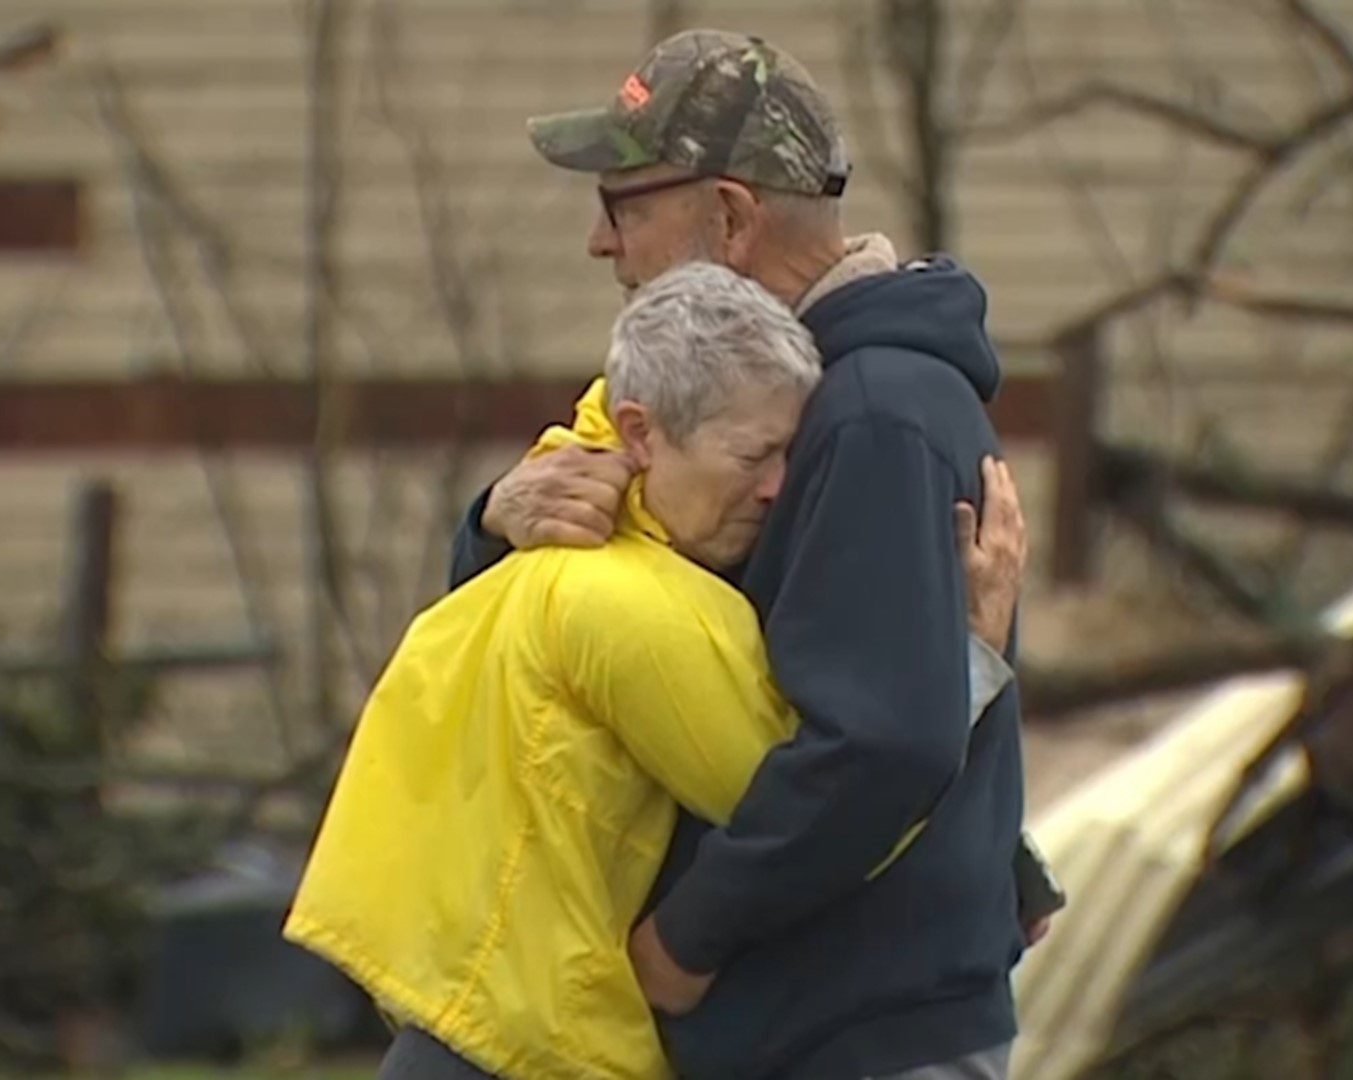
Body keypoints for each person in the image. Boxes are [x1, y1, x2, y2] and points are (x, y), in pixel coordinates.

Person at [447, 28, 1055, 1080]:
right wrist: (497, 522)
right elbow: (668, 654)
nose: (603, 246)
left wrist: (688, 941)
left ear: (728, 216)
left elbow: (880, 743)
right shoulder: (754, 402)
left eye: (623, 206)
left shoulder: (871, 415)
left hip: (850, 1032)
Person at [284, 263, 1030, 1080]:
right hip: (530, 1046)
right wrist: (961, 655)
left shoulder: (550, 553)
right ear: (640, 434)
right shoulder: (630, 605)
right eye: (756, 453)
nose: (782, 487)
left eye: (793, 451)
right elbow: (843, 795)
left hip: (463, 1022)